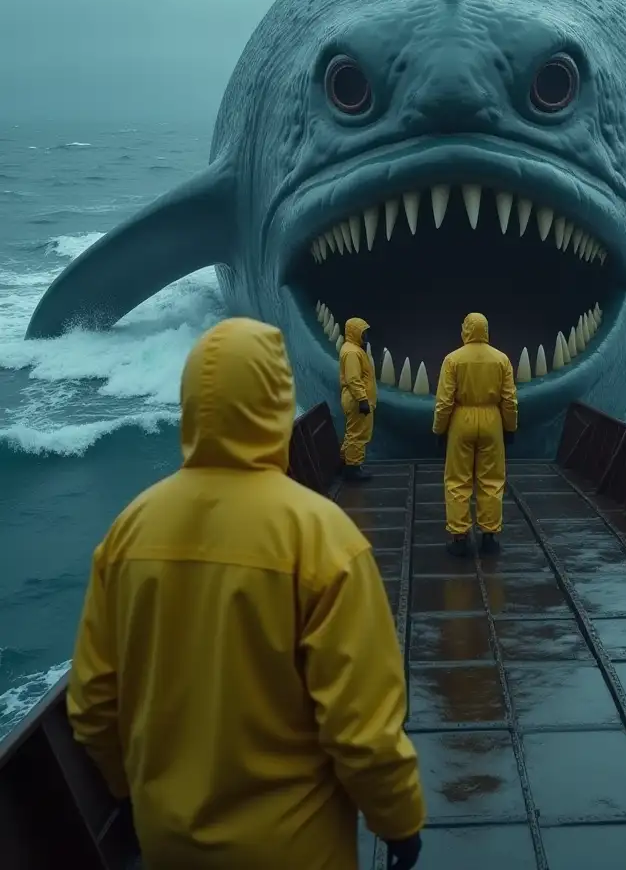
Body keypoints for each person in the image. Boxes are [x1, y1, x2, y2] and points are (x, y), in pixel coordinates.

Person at [67, 317, 425, 870]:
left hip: (169, 843)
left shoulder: (128, 532)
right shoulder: (322, 538)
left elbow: (92, 703)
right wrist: (399, 823)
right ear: (278, 399)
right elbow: (363, 730)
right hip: (294, 850)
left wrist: (128, 791)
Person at [432, 312, 518, 558]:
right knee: (491, 479)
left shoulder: (452, 360)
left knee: (458, 479)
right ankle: (489, 536)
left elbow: (444, 401)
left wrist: (439, 429)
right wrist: (510, 427)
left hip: (461, 421)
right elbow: (510, 400)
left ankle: (459, 538)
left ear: (465, 330)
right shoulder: (502, 359)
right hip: (492, 421)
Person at [340, 315, 377, 482]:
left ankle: (347, 463)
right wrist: (362, 399)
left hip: (356, 398)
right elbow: (353, 379)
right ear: (355, 333)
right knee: (358, 434)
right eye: (363, 333)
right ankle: (353, 470)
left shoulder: (352, 349)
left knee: (353, 433)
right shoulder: (352, 352)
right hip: (356, 400)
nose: (366, 336)